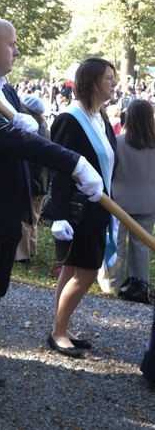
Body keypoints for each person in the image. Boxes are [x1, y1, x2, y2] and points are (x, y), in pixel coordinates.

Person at [0, 18, 104, 402]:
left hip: (5, 212)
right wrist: (75, 163)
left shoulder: (5, 92)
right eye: (12, 44)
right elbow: (8, 139)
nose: (17, 51)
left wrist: (31, 125)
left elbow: (23, 138)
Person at [47, 57, 118, 359]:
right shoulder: (70, 119)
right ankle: (58, 333)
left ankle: (61, 327)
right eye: (108, 78)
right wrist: (59, 215)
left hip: (97, 209)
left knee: (74, 269)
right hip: (78, 213)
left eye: (115, 78)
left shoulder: (100, 117)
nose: (114, 83)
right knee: (86, 273)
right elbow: (59, 169)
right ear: (90, 82)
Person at [102, 99, 155, 293]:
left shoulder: (117, 142)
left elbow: (110, 172)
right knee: (141, 246)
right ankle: (139, 284)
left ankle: (111, 284)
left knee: (115, 244)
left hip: (119, 201)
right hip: (149, 201)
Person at [15, 95, 50, 265]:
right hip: (42, 182)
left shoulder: (34, 132)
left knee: (25, 218)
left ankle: (22, 255)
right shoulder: (45, 129)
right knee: (34, 217)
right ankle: (32, 248)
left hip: (32, 182)